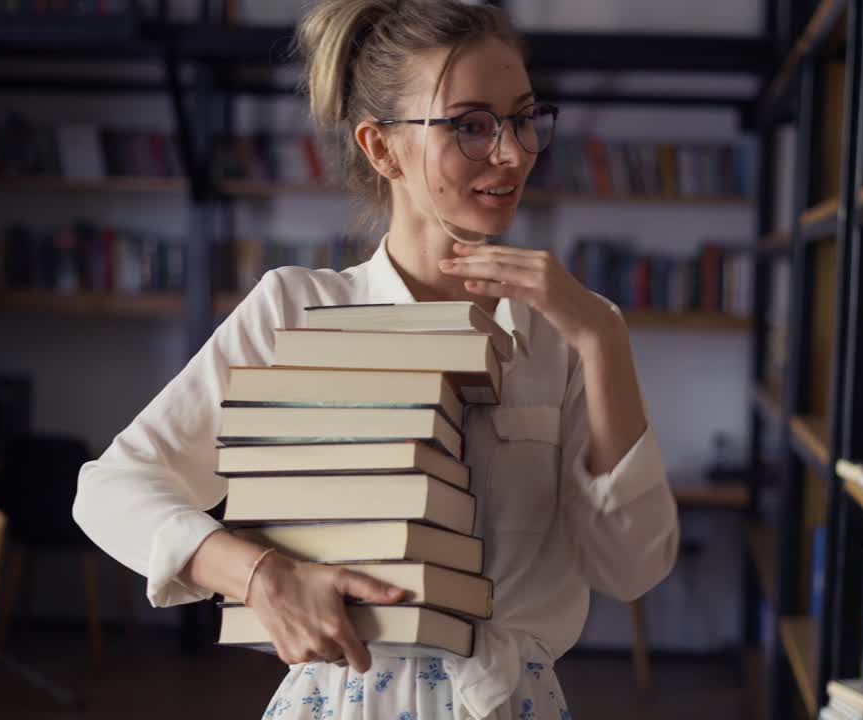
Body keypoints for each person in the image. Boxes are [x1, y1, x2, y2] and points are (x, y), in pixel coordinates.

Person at [72, 1, 679, 718]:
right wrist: (260, 575)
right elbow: (110, 489)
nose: (514, 152)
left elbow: (632, 566)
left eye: (522, 118)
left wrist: (602, 338)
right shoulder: (294, 312)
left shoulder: (569, 333)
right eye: (472, 125)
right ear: (382, 148)